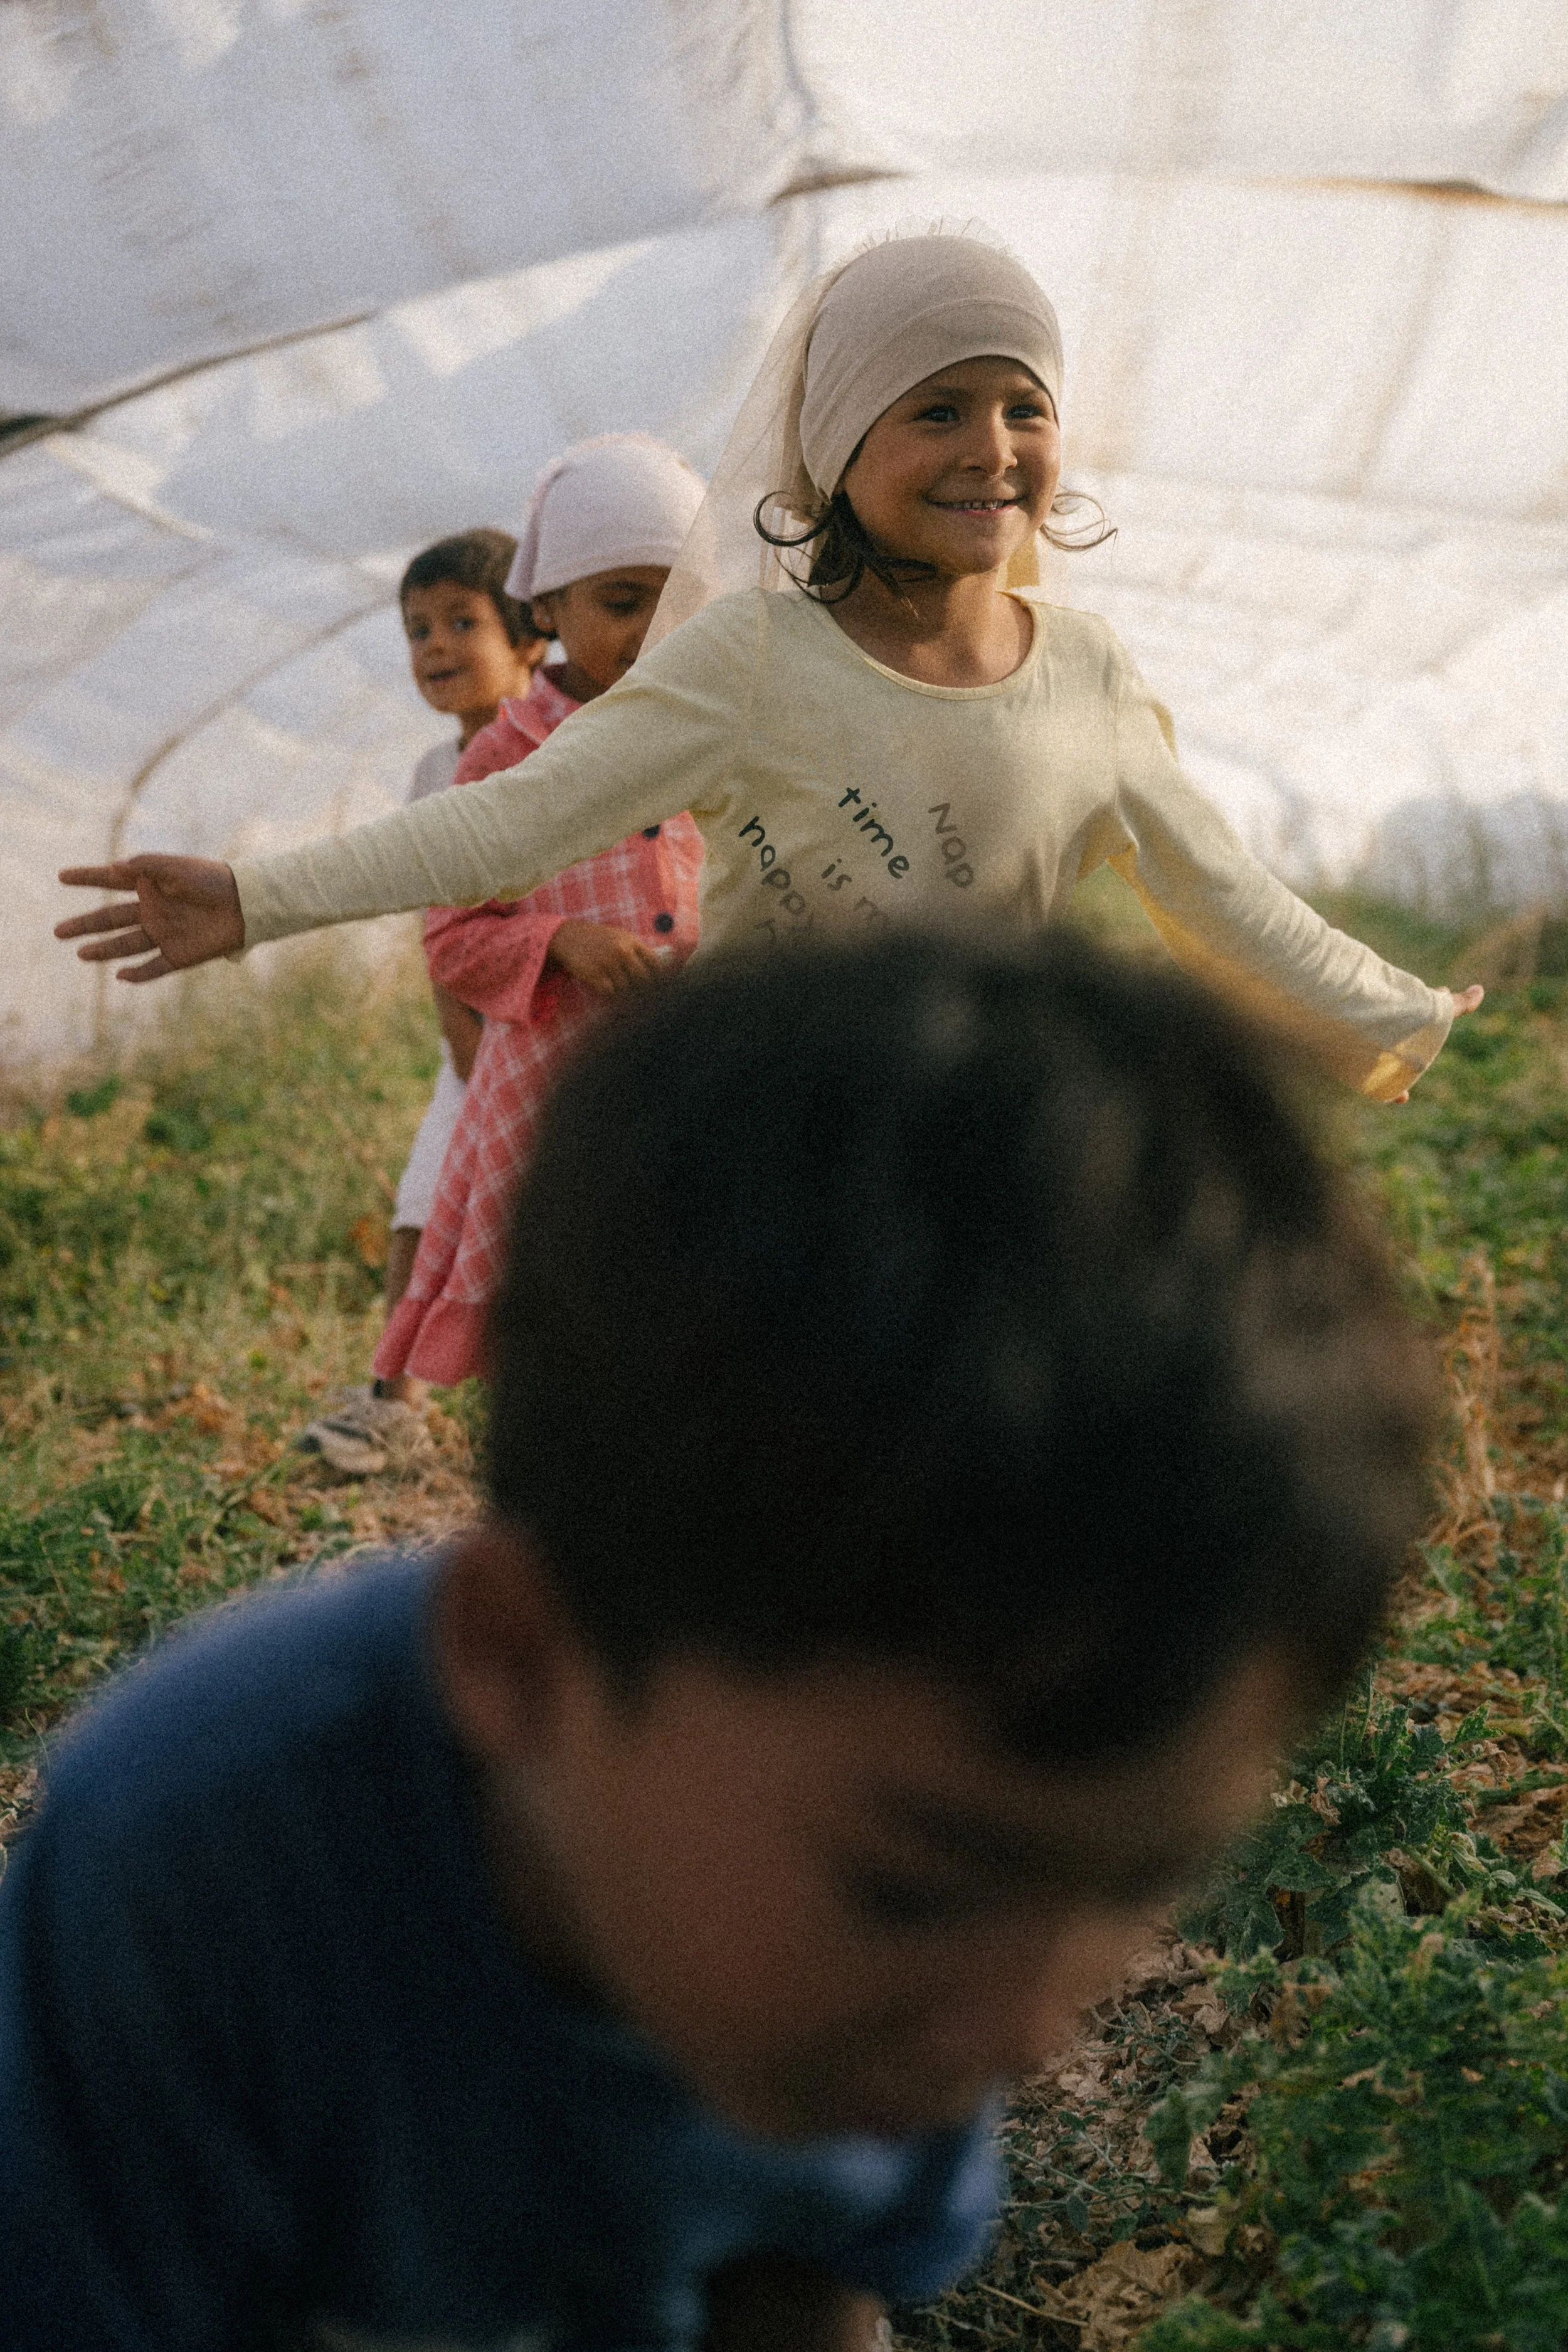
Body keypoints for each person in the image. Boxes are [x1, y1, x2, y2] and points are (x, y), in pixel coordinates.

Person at [0, 931, 1436, 2352]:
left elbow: (808, 2272)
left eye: (1143, 1878)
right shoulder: (183, 1878)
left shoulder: (907, 1943)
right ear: (524, 1664)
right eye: (911, 1889)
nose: (1020, 2034)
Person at [55, 230, 1483, 1089]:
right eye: (934, 410)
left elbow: (1218, 891)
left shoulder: (1090, 679)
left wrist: (1396, 1006)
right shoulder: (748, 658)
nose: (989, 448)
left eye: (1020, 407)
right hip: (766, 1128)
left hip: (980, 1129)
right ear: (836, 448)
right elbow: (513, 817)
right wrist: (254, 897)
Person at [376, 437, 706, 1389]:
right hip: (556, 1076)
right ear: (548, 611)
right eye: (618, 602)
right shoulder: (500, 759)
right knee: (573, 1287)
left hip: (692, 1062)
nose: (654, 628)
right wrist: (559, 938)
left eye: (678, 597)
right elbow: (450, 933)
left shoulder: (718, 722)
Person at [309, 532, 548, 1461]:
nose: (435, 646)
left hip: (549, 1029)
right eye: (417, 630)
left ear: (530, 639)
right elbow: (438, 922)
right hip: (474, 1038)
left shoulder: (564, 754)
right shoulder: (428, 775)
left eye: (461, 622)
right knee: (423, 1206)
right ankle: (393, 1404)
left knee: (553, 1214)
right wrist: (464, 1045)